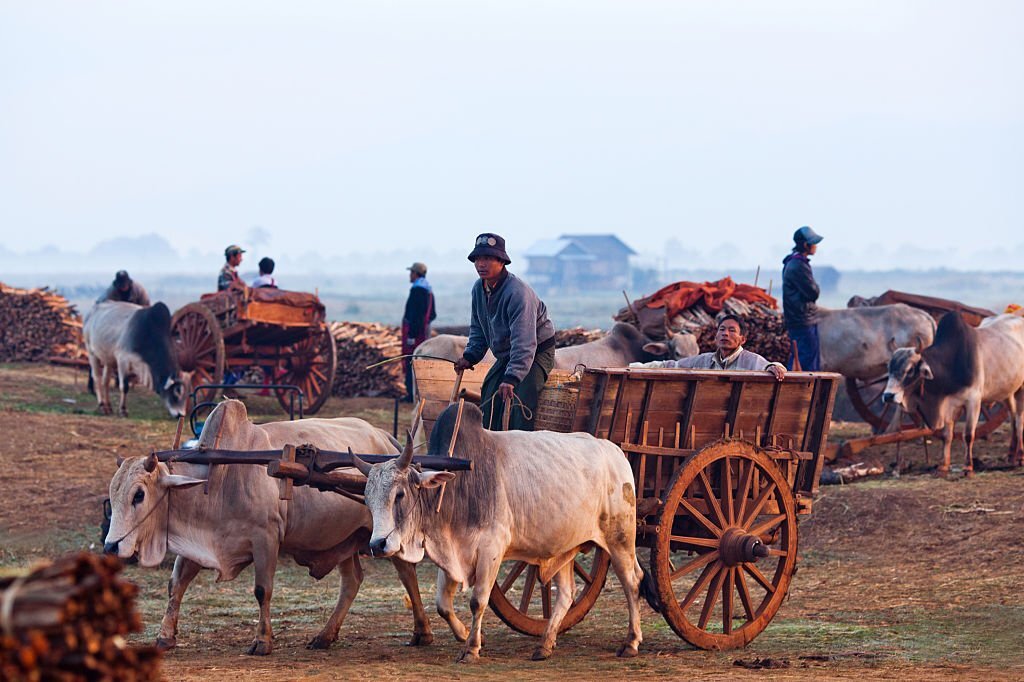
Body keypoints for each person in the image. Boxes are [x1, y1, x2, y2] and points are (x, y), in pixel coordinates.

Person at [453, 233, 556, 431]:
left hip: (535, 351)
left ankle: (521, 446)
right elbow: (478, 328)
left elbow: (524, 341)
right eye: (477, 259)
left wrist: (512, 378)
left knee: (520, 401)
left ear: (501, 262)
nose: (481, 264)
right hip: (508, 352)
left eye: (487, 258)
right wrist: (470, 356)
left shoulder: (518, 293)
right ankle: (491, 442)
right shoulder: (478, 289)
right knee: (489, 393)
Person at [631, 314, 786, 380]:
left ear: (742, 339)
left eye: (732, 330)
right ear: (716, 336)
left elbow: (773, 367)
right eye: (722, 330)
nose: (725, 334)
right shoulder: (704, 361)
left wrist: (774, 367)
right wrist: (631, 368)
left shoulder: (751, 361)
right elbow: (670, 365)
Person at [782, 226, 823, 371]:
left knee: (800, 356)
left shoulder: (792, 262)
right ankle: (804, 386)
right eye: (814, 243)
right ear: (806, 245)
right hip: (803, 319)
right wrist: (816, 286)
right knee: (807, 360)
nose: (816, 246)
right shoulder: (799, 265)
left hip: (798, 318)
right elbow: (813, 293)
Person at [401, 262, 437, 402]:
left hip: (415, 333)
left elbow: (416, 315)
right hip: (423, 332)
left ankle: (411, 394)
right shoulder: (428, 290)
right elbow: (432, 314)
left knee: (411, 360)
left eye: (411, 273)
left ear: (416, 274)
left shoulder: (417, 290)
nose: (410, 275)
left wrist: (411, 335)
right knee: (420, 360)